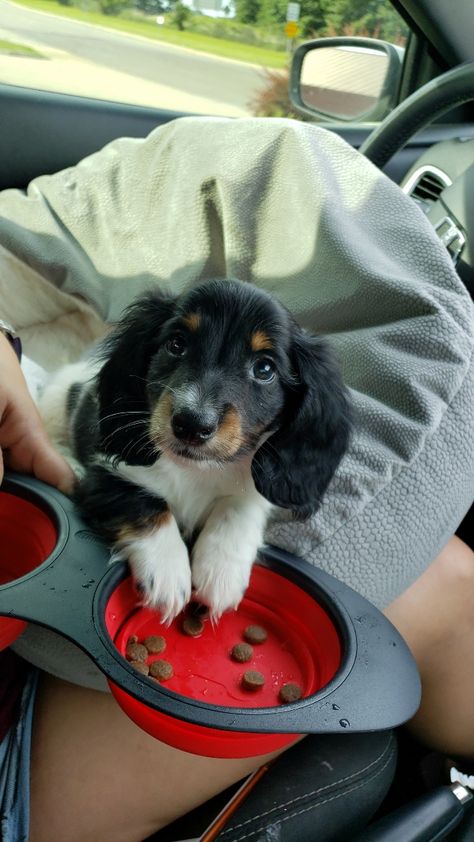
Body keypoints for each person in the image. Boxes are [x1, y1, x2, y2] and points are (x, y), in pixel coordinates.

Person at [1, 322, 473, 842]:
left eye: (263, 368)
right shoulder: (124, 421)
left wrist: (241, 515)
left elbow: (263, 487)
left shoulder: (264, 445)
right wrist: (152, 529)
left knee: (450, 576)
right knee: (446, 584)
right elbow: (109, 477)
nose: (199, 404)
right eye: (177, 344)